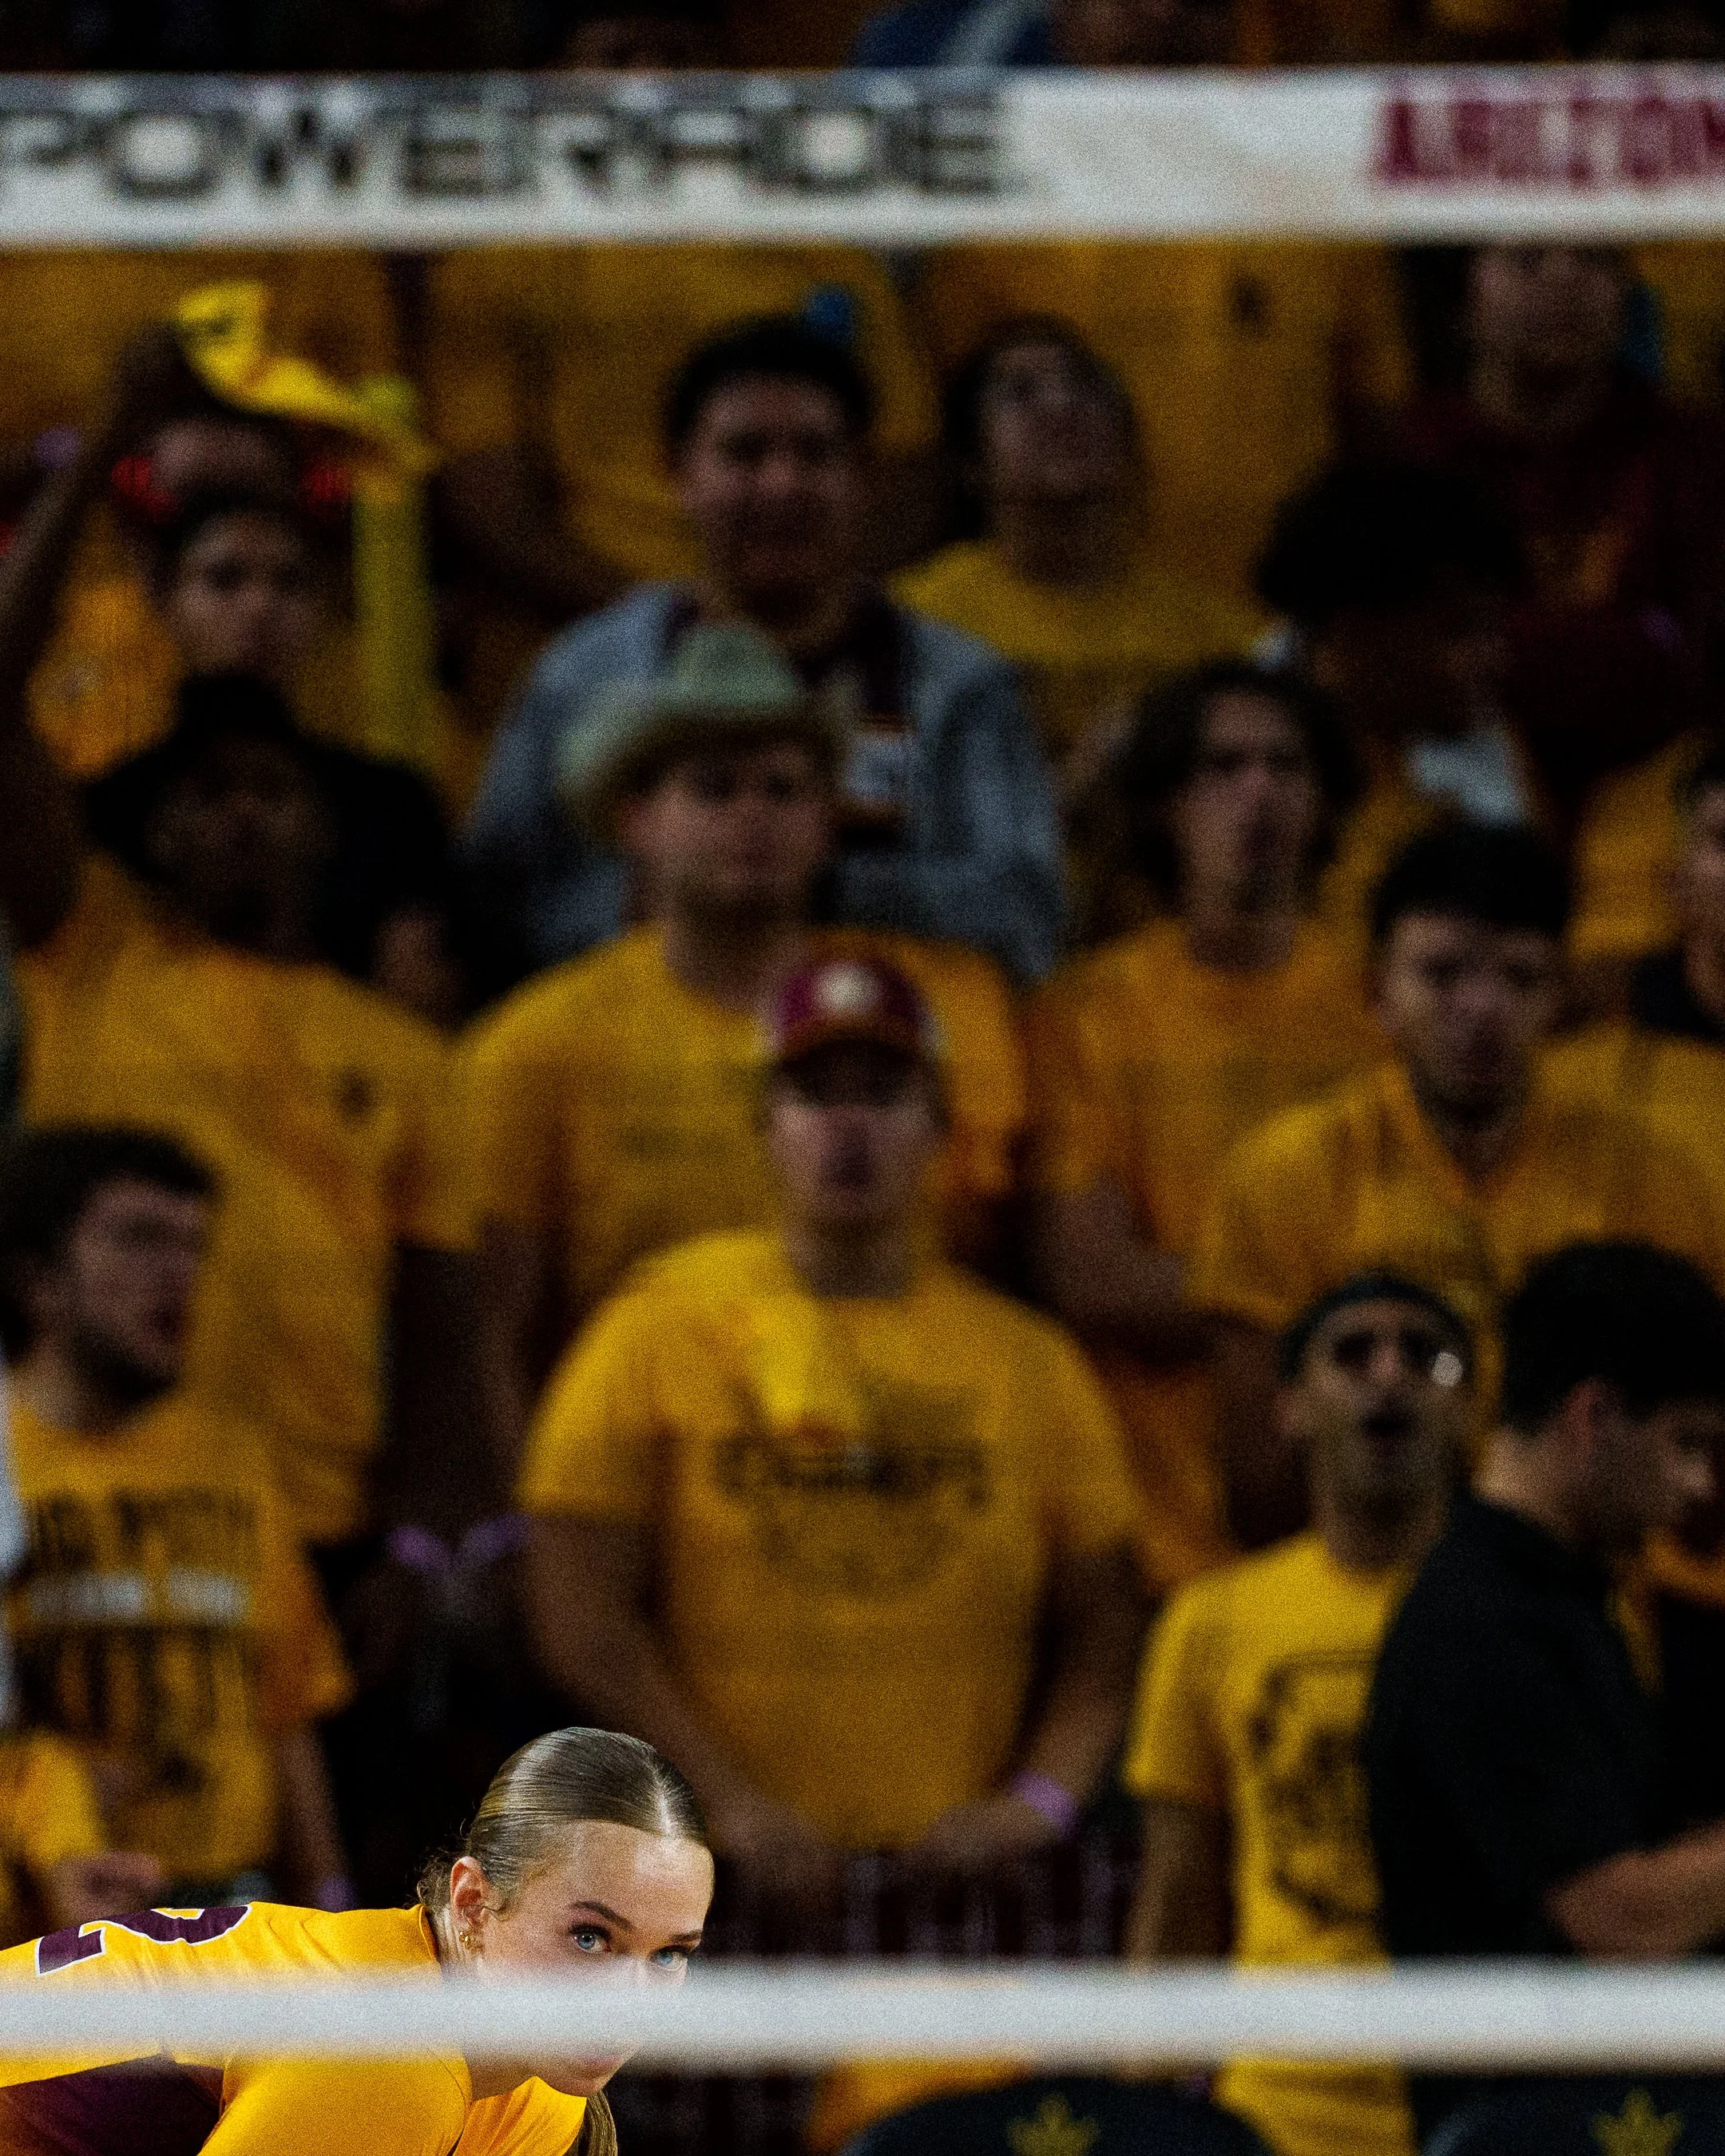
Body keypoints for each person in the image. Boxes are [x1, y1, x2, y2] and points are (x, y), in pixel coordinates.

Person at [0, 351, 482, 1636]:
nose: (243, 817)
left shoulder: (403, 1049)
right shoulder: (88, 947)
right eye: (207, 795)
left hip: (321, 1533)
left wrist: (419, 1545)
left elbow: (444, 1334)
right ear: (154, 833)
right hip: (78, 1504)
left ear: (325, 829)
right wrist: (100, 446)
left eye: (272, 792)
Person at [518, 953, 1144, 1912]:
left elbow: (1107, 1625)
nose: (850, 1125)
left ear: (942, 1125)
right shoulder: (655, 1326)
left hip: (954, 1887)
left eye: (884, 1094)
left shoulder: (1031, 1363)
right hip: (705, 1873)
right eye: (815, 1095)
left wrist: (1037, 1804)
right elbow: (577, 1609)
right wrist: (717, 1802)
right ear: (764, 1123)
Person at [464, 623, 1025, 1478]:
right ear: (637, 821)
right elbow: (495, 1330)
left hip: (905, 1458)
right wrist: (545, 1523)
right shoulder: (535, 1045)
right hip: (637, 1468)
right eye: (714, 787)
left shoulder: (940, 1008)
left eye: (784, 788)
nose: (753, 814)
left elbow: (995, 1272)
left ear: (827, 821)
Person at [465, 318, 1061, 985]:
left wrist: (806, 887)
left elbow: (1027, 919)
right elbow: (488, 920)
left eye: (816, 454)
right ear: (678, 474)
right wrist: (640, 906)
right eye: (745, 453)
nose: (782, 484)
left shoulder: (960, 683)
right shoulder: (582, 675)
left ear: (863, 479)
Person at [1191, 821, 1725, 1544]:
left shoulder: (1654, 1182)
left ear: (1560, 998)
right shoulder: (1285, 1173)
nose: (1481, 1009)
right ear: (1377, 992)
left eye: (1519, 978)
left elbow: (1700, 1477)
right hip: (1354, 1577)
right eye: (1442, 974)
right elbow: (1258, 1487)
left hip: (1584, 1579)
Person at [1028, 663, 1382, 1591]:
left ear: (1326, 801)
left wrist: (1213, 1295)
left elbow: (1423, 1256)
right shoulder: (1089, 1012)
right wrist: (1314, 1295)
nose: (1257, 792)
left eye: (1286, 766)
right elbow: (1093, 1280)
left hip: (1361, 1518)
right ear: (1163, 805)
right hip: (1155, 1531)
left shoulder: (1381, 1004)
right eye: (1221, 768)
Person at [1365, 1240, 1725, 2146]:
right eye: (1685, 1444)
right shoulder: (1481, 1624)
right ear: (1593, 1416)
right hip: (1529, 2130)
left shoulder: (1575, 1601)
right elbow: (1624, 1920)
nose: (1700, 1485)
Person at [0, 1723, 716, 2156]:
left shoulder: (540, 2095)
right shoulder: (391, 2066)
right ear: (472, 1904)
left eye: (669, 1954)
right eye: (590, 1938)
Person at [1126, 1273, 1473, 2156]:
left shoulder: (1534, 1621)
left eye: (1427, 1357)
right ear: (1290, 1406)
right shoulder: (1211, 1620)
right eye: (1353, 1354)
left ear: (1469, 1410)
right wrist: (1139, 2103)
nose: (1389, 1375)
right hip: (1280, 2106)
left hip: (1483, 2093)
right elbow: (1179, 1894)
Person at [0, 1124, 351, 1905]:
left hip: (235, 1906)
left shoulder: (232, 1458)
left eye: (193, 1245)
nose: (178, 1271)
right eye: (140, 1239)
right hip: (50, 1914)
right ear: (38, 1280)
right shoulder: (7, 1460)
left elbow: (286, 1708)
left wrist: (329, 1901)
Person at [1403, 244, 1725, 830]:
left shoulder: (1693, 454)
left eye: (1597, 257)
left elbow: (1701, 666)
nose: (1564, 280)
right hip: (1448, 799)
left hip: (1665, 802)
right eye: (1526, 258)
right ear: (1463, 293)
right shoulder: (1408, 458)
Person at [897, 319, 1259, 788]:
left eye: (1086, 385)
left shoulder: (1221, 638)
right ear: (970, 461)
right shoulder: (913, 622)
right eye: (1021, 392)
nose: (1063, 405)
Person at [1254, 461, 1533, 950]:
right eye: (1463, 630)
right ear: (1350, 638)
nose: (1498, 660)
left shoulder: (1480, 749)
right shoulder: (1203, 764)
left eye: (1495, 630)